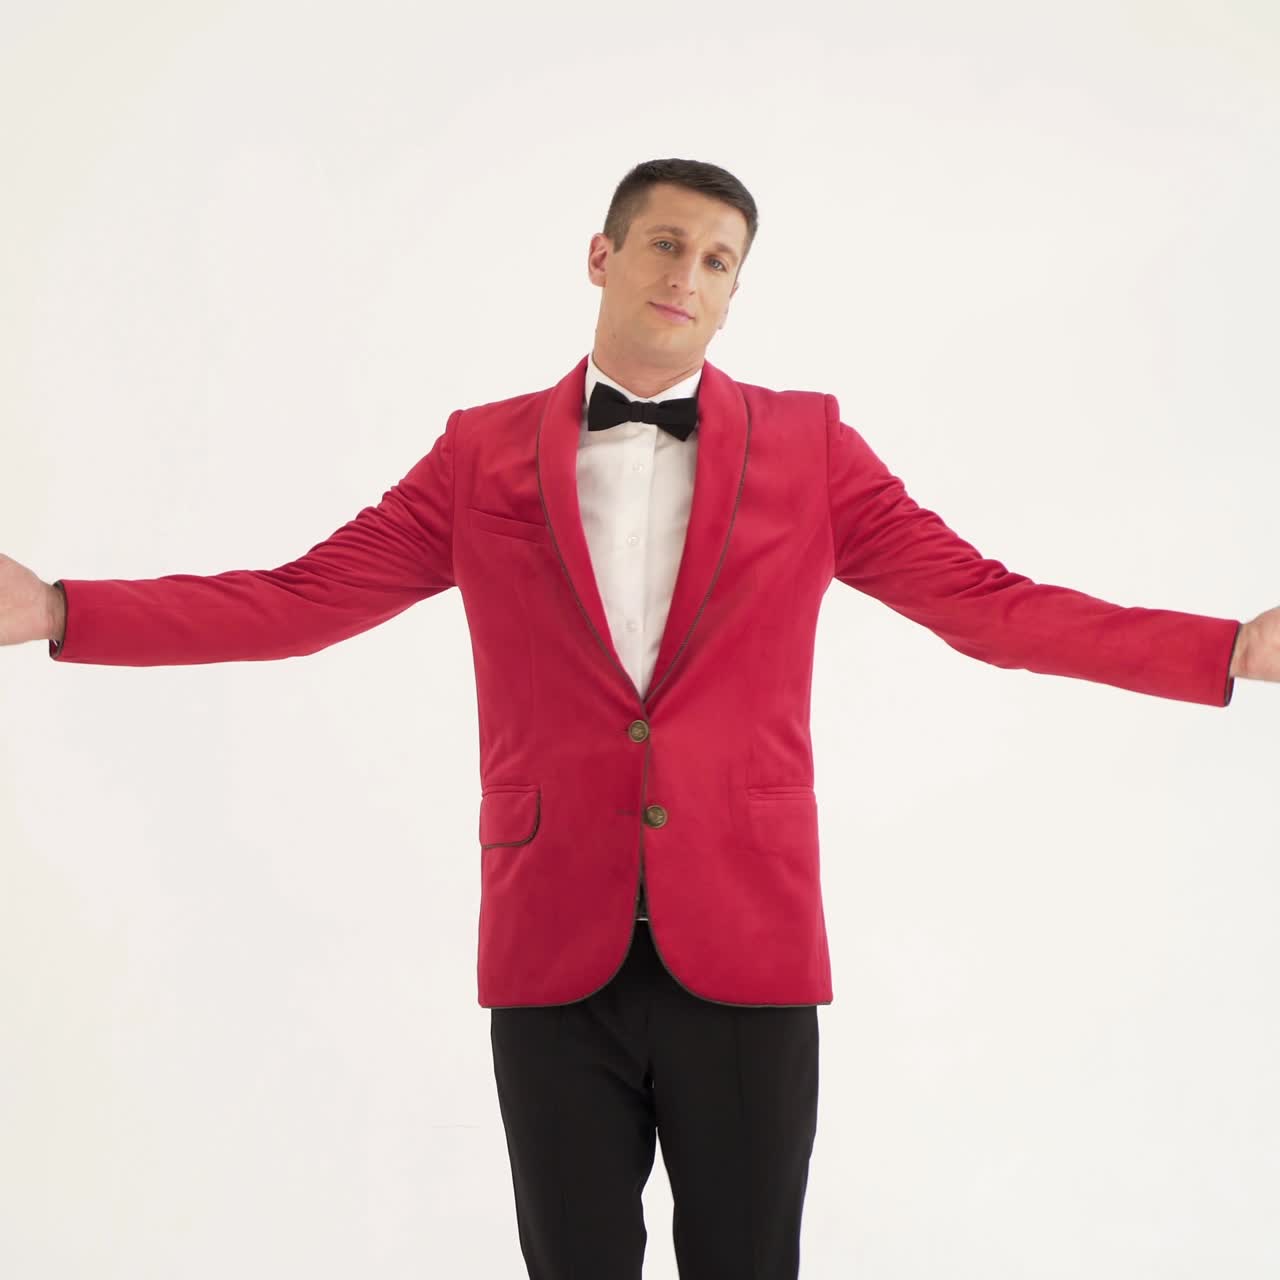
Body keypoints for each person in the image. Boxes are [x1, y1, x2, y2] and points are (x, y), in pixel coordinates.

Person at [2, 157, 1276, 1280]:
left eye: (718, 260)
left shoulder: (809, 446)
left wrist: (1221, 647)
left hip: (748, 939)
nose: (687, 274)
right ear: (601, 255)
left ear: (734, 292)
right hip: (553, 939)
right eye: (665, 243)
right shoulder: (478, 453)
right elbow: (300, 601)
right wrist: (63, 608)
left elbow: (985, 606)